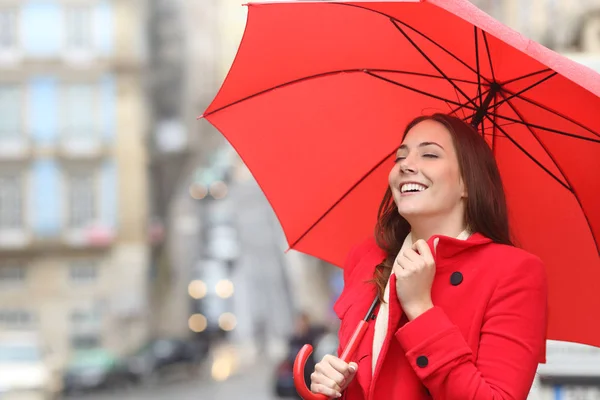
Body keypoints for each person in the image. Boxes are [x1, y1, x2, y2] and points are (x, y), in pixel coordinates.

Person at [309, 113, 548, 399]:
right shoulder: (367, 258)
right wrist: (333, 386)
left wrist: (421, 308)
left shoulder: (513, 272)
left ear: (468, 184)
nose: (406, 165)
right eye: (400, 157)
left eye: (430, 155)